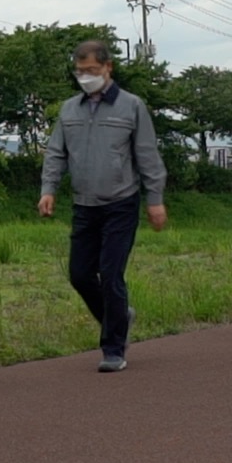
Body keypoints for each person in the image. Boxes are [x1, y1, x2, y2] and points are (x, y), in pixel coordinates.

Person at [39, 41, 168, 372]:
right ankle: (119, 317)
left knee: (111, 275)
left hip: (121, 203)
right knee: (80, 275)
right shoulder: (70, 109)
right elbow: (56, 152)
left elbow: (147, 155)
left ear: (108, 67)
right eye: (80, 71)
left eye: (92, 70)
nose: (85, 77)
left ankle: (113, 348)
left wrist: (155, 200)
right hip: (84, 205)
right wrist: (48, 189)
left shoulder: (131, 106)